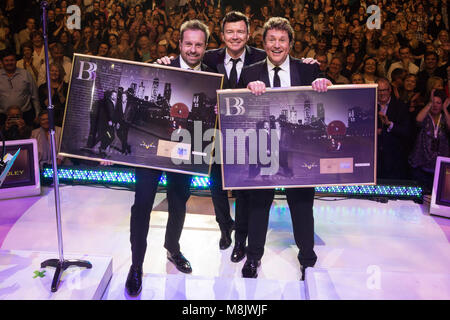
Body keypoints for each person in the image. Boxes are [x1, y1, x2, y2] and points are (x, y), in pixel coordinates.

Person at [125, 19, 214, 297]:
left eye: (199, 44)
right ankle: (136, 265)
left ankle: (172, 249)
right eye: (188, 43)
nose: (193, 49)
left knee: (178, 203)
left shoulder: (212, 76)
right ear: (179, 44)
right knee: (142, 206)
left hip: (184, 154)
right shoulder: (162, 67)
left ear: (205, 47)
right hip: (152, 153)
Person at [238, 17, 332, 280]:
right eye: (271, 40)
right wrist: (247, 92)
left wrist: (324, 84)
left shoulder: (309, 70)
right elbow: (236, 111)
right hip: (262, 149)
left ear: (290, 44)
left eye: (282, 40)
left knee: (302, 206)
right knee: (259, 205)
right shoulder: (249, 72)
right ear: (264, 43)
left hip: (297, 150)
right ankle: (253, 257)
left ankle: (307, 261)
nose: (276, 45)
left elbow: (328, 99)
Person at [201, 11, 266, 255]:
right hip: (216, 133)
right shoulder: (208, 58)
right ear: (222, 35)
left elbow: (287, 64)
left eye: (240, 31)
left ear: (249, 34)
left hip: (249, 137)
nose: (235, 36)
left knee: (244, 189)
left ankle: (241, 238)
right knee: (216, 184)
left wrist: (310, 65)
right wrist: (165, 60)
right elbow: (186, 64)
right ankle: (224, 227)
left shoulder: (262, 57)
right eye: (230, 31)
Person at [409, 89, 450, 193]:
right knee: (421, 197)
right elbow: (418, 120)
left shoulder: (445, 118)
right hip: (421, 165)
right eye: (433, 102)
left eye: (438, 103)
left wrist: (445, 109)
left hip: (440, 168)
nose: (435, 105)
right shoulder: (425, 116)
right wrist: (429, 103)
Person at [376, 77, 411, 181]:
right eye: (378, 90)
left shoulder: (401, 106)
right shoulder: (369, 106)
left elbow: (407, 131)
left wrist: (389, 124)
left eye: (384, 90)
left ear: (390, 90)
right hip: (375, 160)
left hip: (394, 160)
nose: (381, 93)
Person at [0, 49, 40, 127]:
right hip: (3, 117)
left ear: (16, 61)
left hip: (25, 115)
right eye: (6, 60)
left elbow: (35, 96)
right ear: (2, 62)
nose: (9, 63)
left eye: (12, 60)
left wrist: (38, 113)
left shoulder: (26, 74)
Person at [38, 63, 68, 128]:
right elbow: (44, 105)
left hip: (62, 118)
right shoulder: (43, 87)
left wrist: (60, 93)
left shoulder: (66, 86)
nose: (54, 73)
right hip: (48, 118)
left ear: (60, 73)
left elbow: (66, 105)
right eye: (52, 71)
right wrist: (51, 94)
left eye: (56, 71)